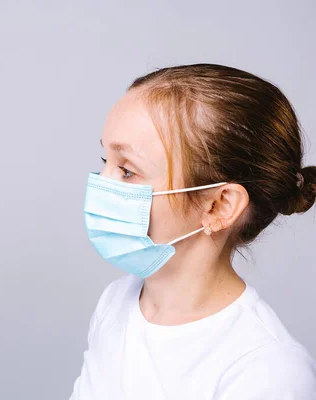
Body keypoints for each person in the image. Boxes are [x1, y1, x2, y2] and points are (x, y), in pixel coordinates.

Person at [70, 64, 316, 399]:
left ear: (219, 206)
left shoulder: (266, 369)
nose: (102, 182)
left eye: (127, 171)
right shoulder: (116, 303)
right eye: (105, 160)